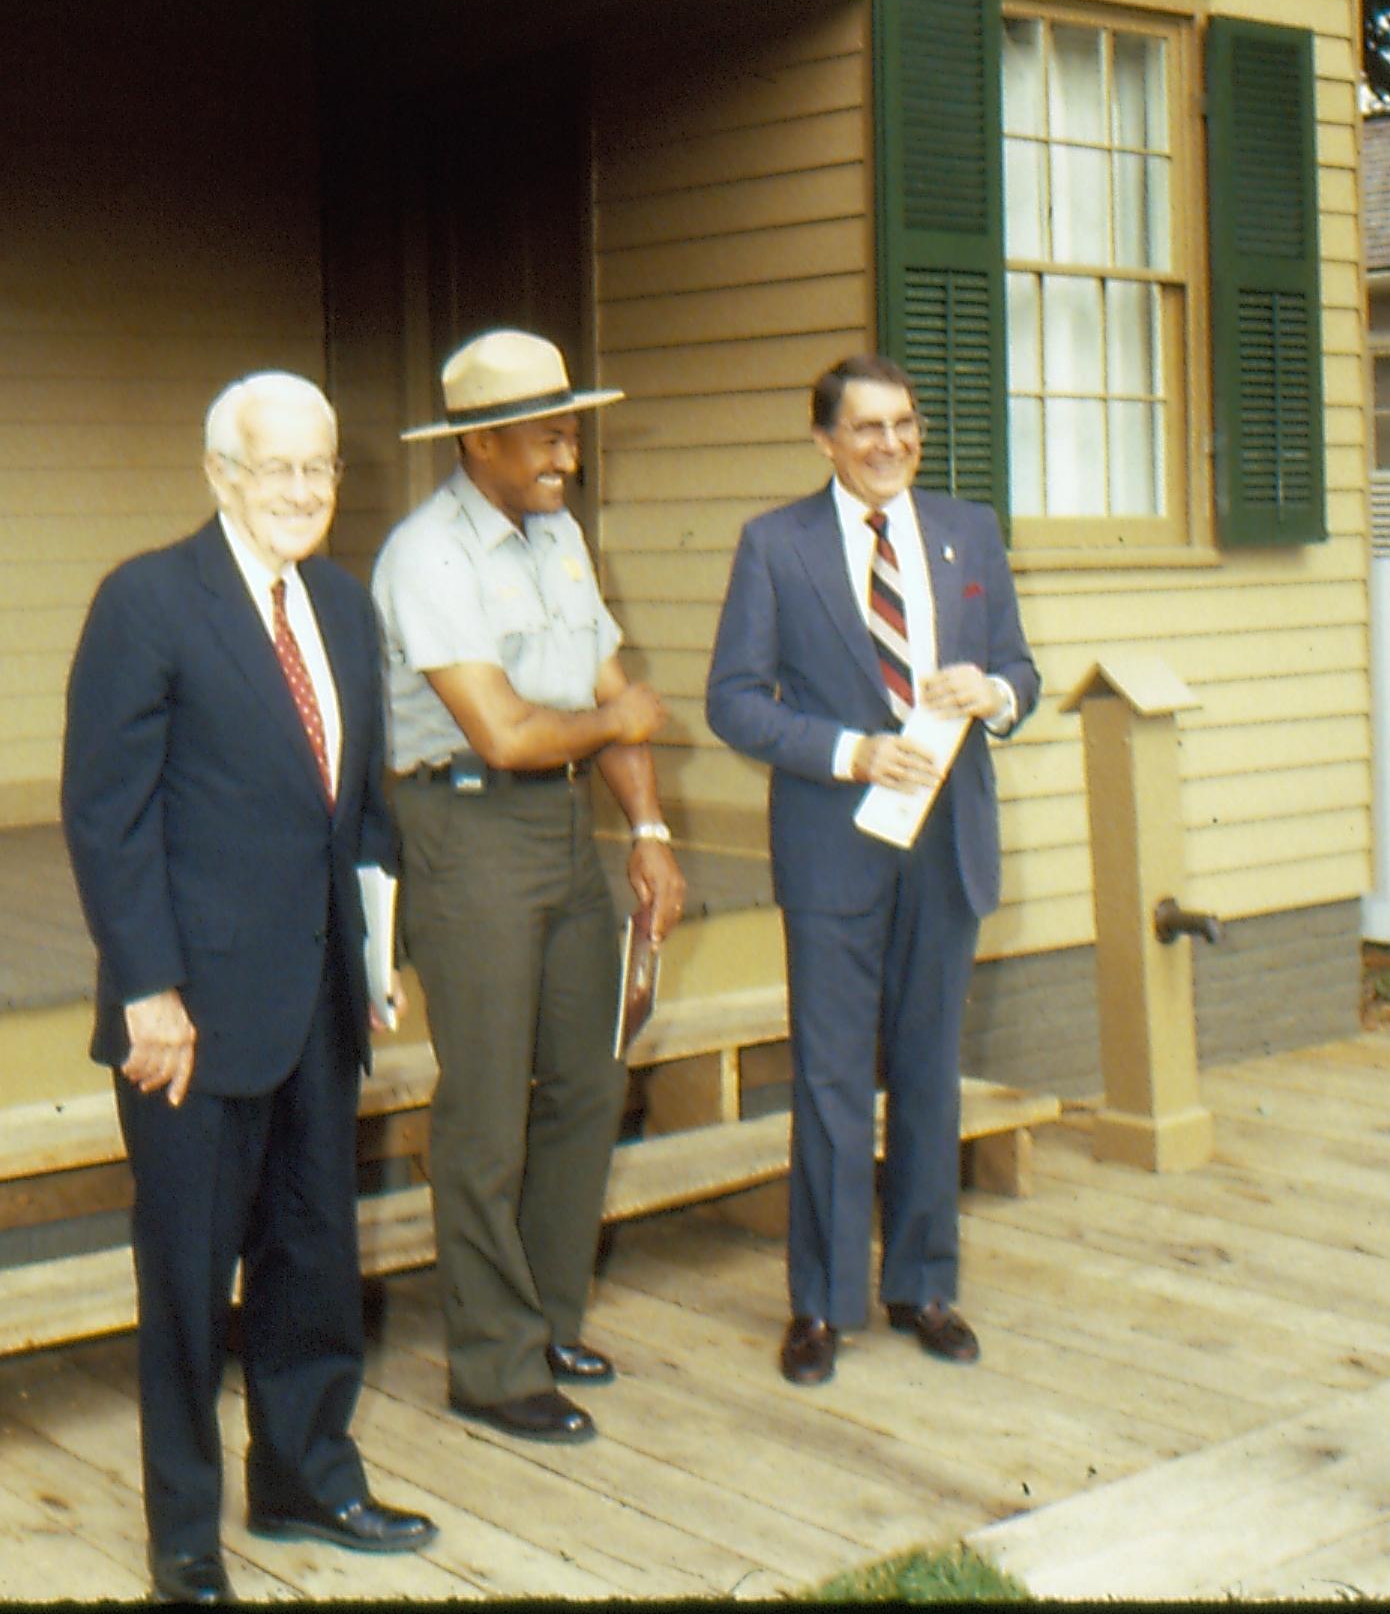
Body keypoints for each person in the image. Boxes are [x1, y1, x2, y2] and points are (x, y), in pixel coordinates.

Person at [61, 371, 437, 1606]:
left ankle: (304, 1476)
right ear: (220, 473)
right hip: (194, 1019)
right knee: (184, 1280)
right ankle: (184, 1536)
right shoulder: (149, 601)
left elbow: (357, 804)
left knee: (316, 1257)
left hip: (322, 1000)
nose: (300, 491)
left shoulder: (336, 602)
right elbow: (106, 821)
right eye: (274, 468)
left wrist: (374, 950)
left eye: (318, 469)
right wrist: (147, 994)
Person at [370, 328, 687, 1446]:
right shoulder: (429, 556)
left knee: (590, 1080)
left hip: (560, 829)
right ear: (479, 441)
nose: (567, 449)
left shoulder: (556, 540)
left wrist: (645, 826)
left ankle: (549, 1320)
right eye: (544, 432)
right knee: (487, 1109)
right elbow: (504, 731)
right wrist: (619, 720)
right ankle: (493, 1367)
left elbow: (605, 683)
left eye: (571, 427)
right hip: (464, 826)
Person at [704, 353, 1039, 1387]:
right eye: (866, 428)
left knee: (932, 1073)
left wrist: (995, 692)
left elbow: (1022, 669)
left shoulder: (967, 530)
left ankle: (924, 1288)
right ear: (824, 440)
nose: (890, 443)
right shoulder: (775, 546)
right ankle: (823, 1304)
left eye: (905, 423)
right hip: (834, 843)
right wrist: (850, 751)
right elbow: (734, 700)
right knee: (836, 1078)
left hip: (946, 844)